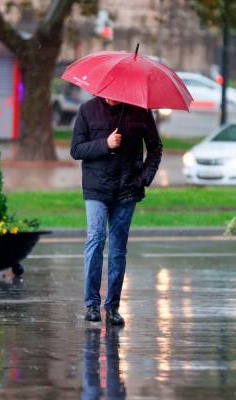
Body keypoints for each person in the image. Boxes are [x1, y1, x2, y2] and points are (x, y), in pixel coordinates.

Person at [70, 96, 162, 325]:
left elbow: (155, 147)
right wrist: (105, 144)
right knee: (96, 238)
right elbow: (76, 149)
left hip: (127, 189)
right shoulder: (87, 110)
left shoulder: (139, 111)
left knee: (118, 248)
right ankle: (92, 304)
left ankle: (112, 307)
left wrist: (144, 178)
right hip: (96, 189)